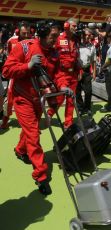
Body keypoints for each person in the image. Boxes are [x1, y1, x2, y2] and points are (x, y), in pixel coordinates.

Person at [2, 21, 60, 195]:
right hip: (23, 99)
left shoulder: (54, 52)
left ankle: (20, 150)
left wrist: (62, 86)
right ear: (42, 34)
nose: (55, 40)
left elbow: (57, 75)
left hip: (39, 99)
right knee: (33, 134)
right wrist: (27, 66)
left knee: (29, 131)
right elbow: (6, 71)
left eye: (57, 36)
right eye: (53, 37)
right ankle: (40, 175)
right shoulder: (24, 47)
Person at [47, 18, 80, 129]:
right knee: (60, 99)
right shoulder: (58, 38)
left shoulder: (75, 40)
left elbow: (76, 57)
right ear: (66, 25)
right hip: (61, 74)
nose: (76, 28)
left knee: (71, 100)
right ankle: (50, 113)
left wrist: (79, 70)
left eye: (76, 26)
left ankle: (68, 123)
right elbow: (50, 53)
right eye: (74, 26)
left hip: (73, 75)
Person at [1, 22, 31, 129]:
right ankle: (5, 120)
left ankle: (30, 121)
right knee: (9, 100)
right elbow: (9, 58)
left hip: (29, 75)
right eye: (24, 33)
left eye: (28, 33)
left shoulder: (33, 41)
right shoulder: (11, 41)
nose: (26, 35)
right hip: (15, 75)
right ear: (18, 32)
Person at [76, 28, 96, 115]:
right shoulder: (76, 45)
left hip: (87, 70)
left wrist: (94, 72)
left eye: (88, 35)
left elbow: (93, 61)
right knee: (77, 91)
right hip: (76, 71)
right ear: (82, 35)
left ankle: (87, 108)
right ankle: (80, 108)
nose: (87, 37)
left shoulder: (92, 47)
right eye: (85, 35)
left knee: (88, 91)